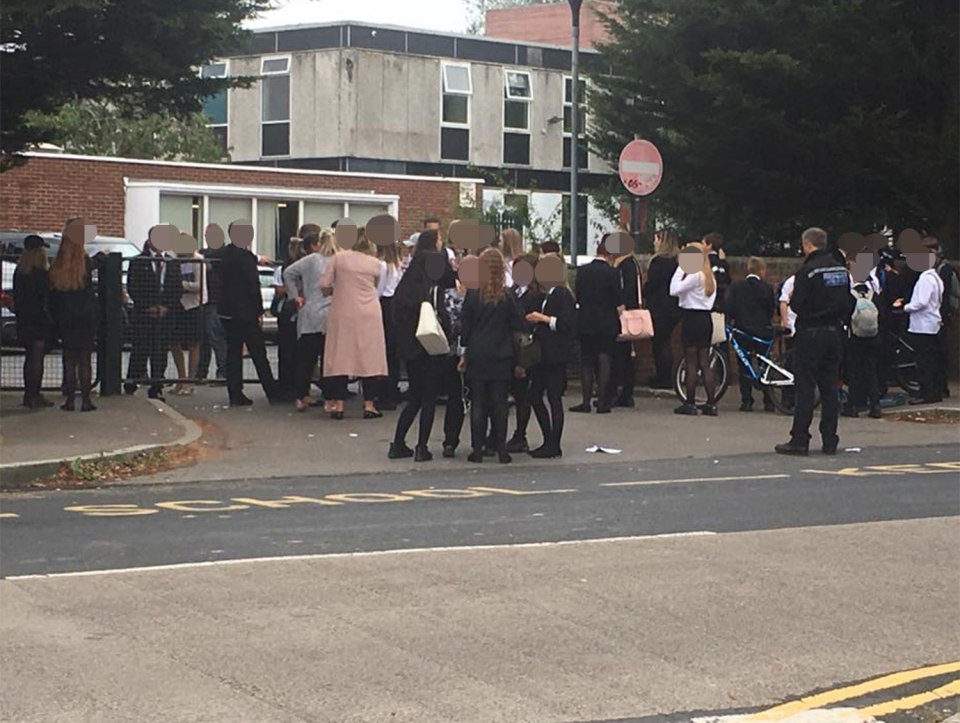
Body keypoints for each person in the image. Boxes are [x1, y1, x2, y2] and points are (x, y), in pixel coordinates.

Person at [775, 227, 854, 456]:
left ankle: (800, 439)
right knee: (830, 388)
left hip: (811, 333)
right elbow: (849, 302)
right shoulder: (841, 269)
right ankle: (830, 440)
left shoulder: (807, 271)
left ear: (807, 244)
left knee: (805, 387)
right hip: (834, 333)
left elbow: (798, 305)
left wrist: (793, 300)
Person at [389, 230, 455, 460]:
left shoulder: (407, 284)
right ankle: (421, 447)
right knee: (428, 398)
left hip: (410, 345)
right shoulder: (433, 286)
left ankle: (398, 442)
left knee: (415, 396)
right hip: (430, 344)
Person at [460, 248, 525, 464]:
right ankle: (501, 450)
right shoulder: (507, 295)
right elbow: (518, 324)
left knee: (478, 403)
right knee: (500, 404)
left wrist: (464, 352)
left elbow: (465, 329)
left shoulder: (472, 293)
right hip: (501, 353)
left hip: (478, 353)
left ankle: (477, 450)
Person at [319, 230, 388, 419]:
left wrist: (334, 290)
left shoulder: (339, 258)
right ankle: (369, 405)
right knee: (369, 358)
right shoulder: (377, 264)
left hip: (343, 311)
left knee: (340, 356)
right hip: (369, 312)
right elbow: (377, 287)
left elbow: (324, 283)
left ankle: (339, 405)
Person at [218, 220, 280, 407]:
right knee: (258, 353)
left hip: (227, 311)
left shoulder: (226, 255)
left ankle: (235, 393)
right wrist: (259, 311)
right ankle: (272, 391)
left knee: (233, 353)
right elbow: (253, 286)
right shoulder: (245, 259)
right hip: (245, 312)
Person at [526, 253, 577, 458]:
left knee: (553, 397)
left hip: (554, 353)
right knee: (536, 395)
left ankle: (553, 442)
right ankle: (549, 439)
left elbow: (566, 324)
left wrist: (542, 319)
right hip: (545, 353)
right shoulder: (549, 293)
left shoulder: (562, 294)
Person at [125, 225, 182, 400]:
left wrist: (166, 307)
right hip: (144, 313)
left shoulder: (172, 262)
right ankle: (132, 380)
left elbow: (176, 288)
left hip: (165, 314)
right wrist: (147, 306)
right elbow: (133, 286)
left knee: (160, 350)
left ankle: (156, 386)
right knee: (141, 348)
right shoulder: (138, 261)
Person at [48, 219, 99, 412]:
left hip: (65, 315)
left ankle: (69, 400)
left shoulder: (58, 261)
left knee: (68, 359)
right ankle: (86, 400)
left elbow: (53, 292)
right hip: (84, 316)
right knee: (85, 359)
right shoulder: (85, 260)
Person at [284, 231, 338, 412]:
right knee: (329, 360)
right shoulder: (340, 260)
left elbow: (289, 272)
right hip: (333, 312)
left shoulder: (311, 260)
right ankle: (330, 398)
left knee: (306, 359)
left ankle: (301, 396)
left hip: (310, 313)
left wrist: (295, 296)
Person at [571, 236, 622, 414]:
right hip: (607, 322)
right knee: (604, 359)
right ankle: (602, 402)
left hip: (586, 321)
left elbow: (578, 296)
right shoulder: (613, 273)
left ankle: (585, 402)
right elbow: (618, 301)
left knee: (586, 361)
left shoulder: (583, 271)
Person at [670, 242, 718, 416]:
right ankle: (711, 404)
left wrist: (681, 269)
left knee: (691, 361)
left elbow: (673, 289)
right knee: (704, 361)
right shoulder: (710, 276)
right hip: (706, 319)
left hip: (691, 318)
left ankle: (690, 402)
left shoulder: (694, 275)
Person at [725, 257, 777, 412]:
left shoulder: (737, 287)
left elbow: (730, 307)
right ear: (761, 270)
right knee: (765, 365)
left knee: (744, 364)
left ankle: (747, 401)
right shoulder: (767, 288)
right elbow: (770, 309)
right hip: (763, 330)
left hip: (743, 330)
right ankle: (769, 401)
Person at [893, 250, 945, 405]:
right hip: (932, 323)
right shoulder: (935, 277)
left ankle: (926, 393)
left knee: (923, 361)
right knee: (931, 359)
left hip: (923, 325)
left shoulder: (925, 279)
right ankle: (934, 391)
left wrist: (906, 307)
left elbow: (921, 302)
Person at [506, 253, 544, 453]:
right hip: (510, 348)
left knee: (522, 395)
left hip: (525, 350)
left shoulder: (535, 295)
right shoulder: (512, 291)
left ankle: (520, 435)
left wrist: (523, 361)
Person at [13, 234, 55, 408]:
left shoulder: (20, 272)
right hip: (39, 319)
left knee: (29, 357)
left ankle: (28, 394)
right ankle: (34, 395)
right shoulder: (42, 273)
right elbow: (47, 297)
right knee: (37, 359)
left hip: (24, 319)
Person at [274, 231, 312, 401]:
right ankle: (289, 387)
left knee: (293, 352)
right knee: (291, 351)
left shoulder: (301, 267)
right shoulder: (285, 268)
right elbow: (279, 289)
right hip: (291, 312)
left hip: (297, 311)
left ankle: (293, 387)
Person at [644, 229, 681, 389]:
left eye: (656, 239)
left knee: (660, 343)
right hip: (674, 307)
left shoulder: (658, 262)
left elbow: (652, 285)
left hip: (659, 307)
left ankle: (663, 376)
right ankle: (665, 375)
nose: (654, 243)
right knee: (665, 342)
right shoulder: (677, 261)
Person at [170, 234, 206, 396]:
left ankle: (190, 381)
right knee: (174, 342)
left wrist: (180, 284)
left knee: (193, 343)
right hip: (178, 304)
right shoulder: (175, 261)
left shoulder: (198, 260)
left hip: (194, 305)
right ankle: (181, 378)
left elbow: (199, 285)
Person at [842, 280, 883, 419]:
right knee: (871, 372)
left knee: (854, 372)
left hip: (855, 339)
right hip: (873, 339)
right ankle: (875, 406)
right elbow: (882, 316)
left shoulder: (849, 296)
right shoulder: (874, 296)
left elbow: (845, 317)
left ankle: (853, 406)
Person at [196, 224, 228, 383]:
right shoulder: (203, 253)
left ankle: (223, 371)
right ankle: (200, 372)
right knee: (203, 338)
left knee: (215, 336)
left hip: (216, 299)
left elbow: (205, 266)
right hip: (203, 300)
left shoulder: (223, 253)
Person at [928, 237, 959, 398]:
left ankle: (940, 385)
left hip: (941, 316)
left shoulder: (945, 271)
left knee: (939, 353)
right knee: (936, 353)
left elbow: (951, 295)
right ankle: (938, 385)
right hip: (938, 316)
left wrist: (947, 312)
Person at [612, 245, 642, 406]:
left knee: (623, 354)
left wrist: (620, 303)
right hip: (628, 312)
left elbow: (626, 289)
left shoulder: (625, 265)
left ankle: (624, 392)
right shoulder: (631, 264)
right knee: (625, 354)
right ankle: (624, 392)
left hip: (624, 314)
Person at [377, 239, 405, 410]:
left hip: (385, 304)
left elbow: (379, 291)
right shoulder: (398, 266)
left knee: (385, 349)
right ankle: (392, 389)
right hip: (396, 305)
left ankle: (384, 392)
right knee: (393, 350)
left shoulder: (382, 266)